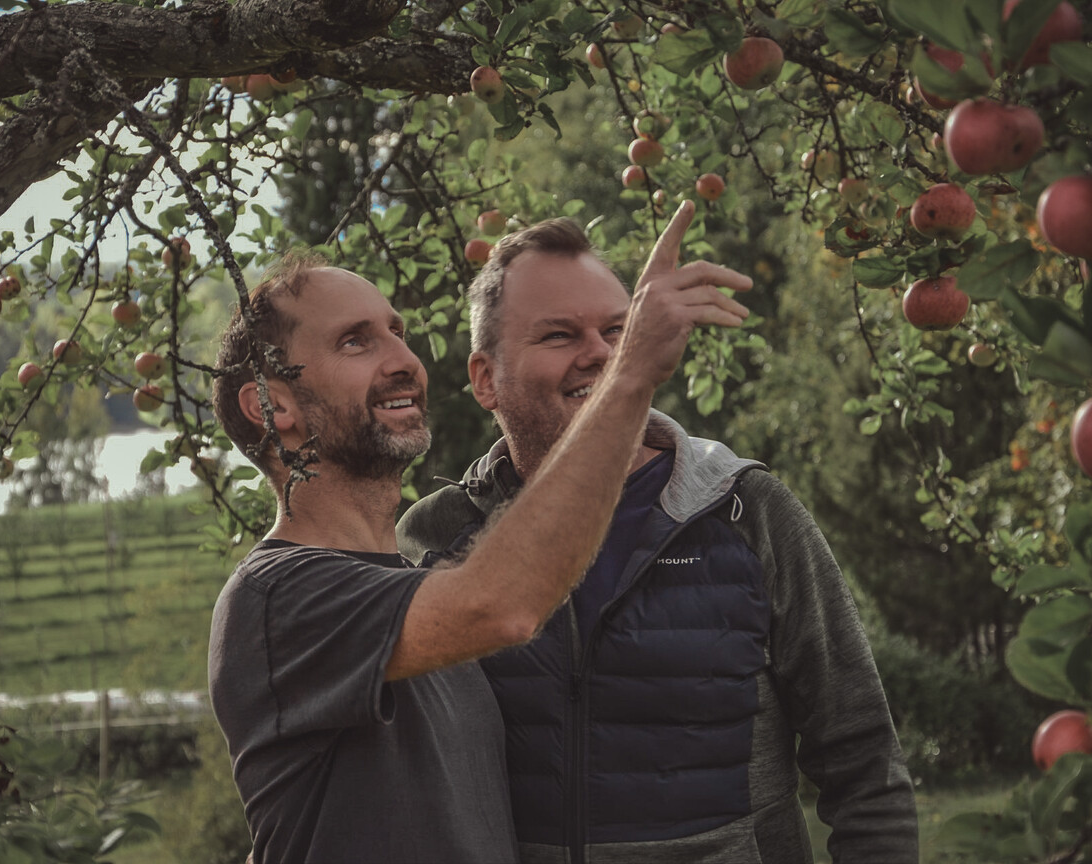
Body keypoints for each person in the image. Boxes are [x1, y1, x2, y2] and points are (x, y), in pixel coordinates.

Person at [207, 200, 754, 863]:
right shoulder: (279, 598)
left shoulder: (419, 582)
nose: (403, 358)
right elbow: (507, 604)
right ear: (272, 406)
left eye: (396, 331)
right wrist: (629, 370)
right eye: (356, 340)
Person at [397, 216, 920, 863]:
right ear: (484, 379)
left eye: (620, 331)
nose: (603, 354)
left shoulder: (747, 512)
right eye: (560, 335)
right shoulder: (434, 536)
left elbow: (863, 758)